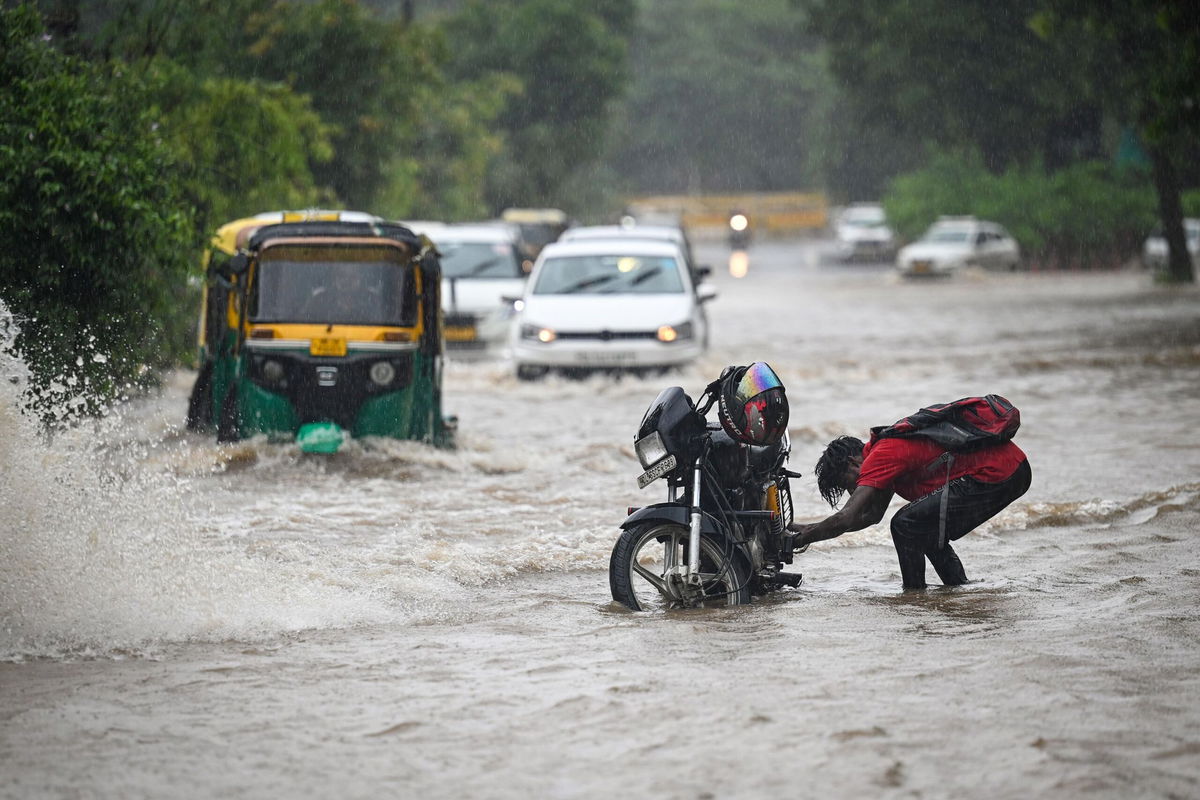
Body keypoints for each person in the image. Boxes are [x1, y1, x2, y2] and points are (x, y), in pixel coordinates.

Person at [787, 432, 1031, 589]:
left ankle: (914, 593)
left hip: (999, 471)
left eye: (848, 483)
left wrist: (803, 538)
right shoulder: (883, 457)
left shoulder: (879, 456)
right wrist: (808, 529)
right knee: (919, 525)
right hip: (1013, 470)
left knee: (905, 524)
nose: (854, 491)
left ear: (853, 462)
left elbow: (846, 517)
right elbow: (871, 516)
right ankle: (958, 588)